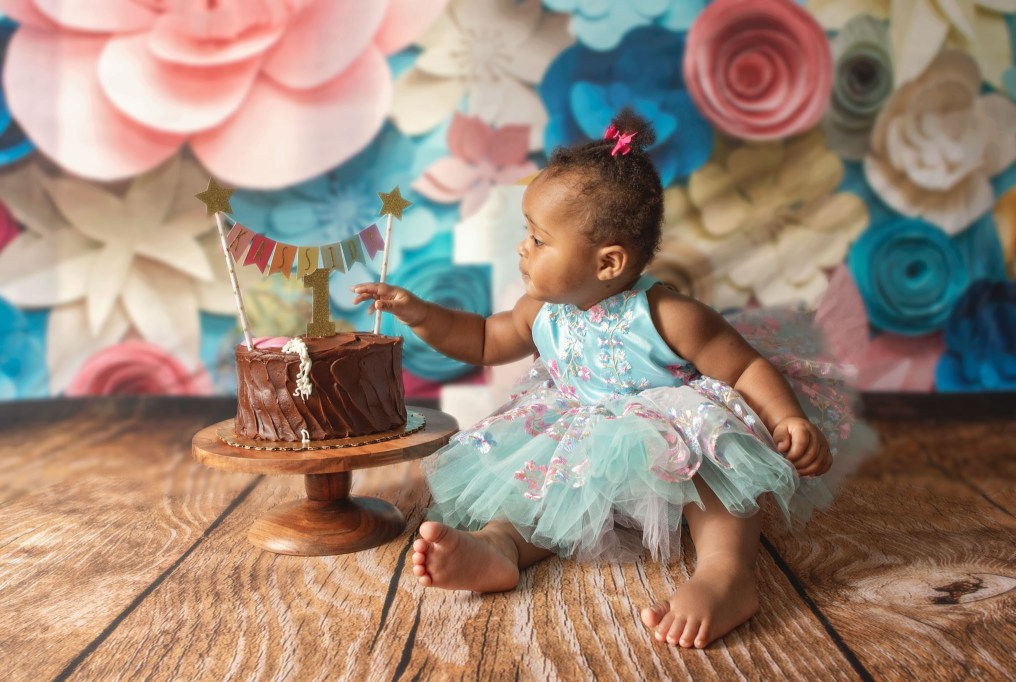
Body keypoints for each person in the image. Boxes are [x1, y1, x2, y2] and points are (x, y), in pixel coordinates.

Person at [352, 109, 871, 649]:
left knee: (711, 464)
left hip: (668, 440)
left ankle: (726, 574)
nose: (522, 249)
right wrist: (420, 313)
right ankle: (500, 547)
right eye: (526, 234)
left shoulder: (668, 314)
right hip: (583, 439)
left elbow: (743, 367)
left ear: (608, 263)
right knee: (534, 485)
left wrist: (787, 418)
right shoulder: (541, 310)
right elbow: (483, 340)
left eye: (538, 239)